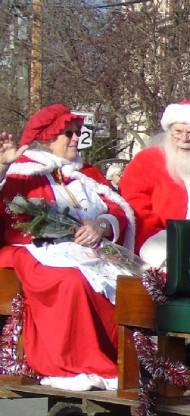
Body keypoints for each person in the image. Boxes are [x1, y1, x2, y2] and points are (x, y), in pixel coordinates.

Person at [0, 104, 137, 390]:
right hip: (36, 250)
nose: (76, 139)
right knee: (71, 282)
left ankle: (130, 362)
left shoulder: (86, 173)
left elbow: (119, 208)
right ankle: (74, 363)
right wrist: (4, 167)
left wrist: (100, 225)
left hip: (89, 251)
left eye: (77, 133)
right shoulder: (22, 172)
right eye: (68, 134)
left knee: (132, 282)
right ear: (48, 139)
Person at [120, 100, 190, 267]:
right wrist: (155, 243)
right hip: (158, 248)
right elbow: (136, 205)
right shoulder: (148, 160)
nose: (183, 139)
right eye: (178, 131)